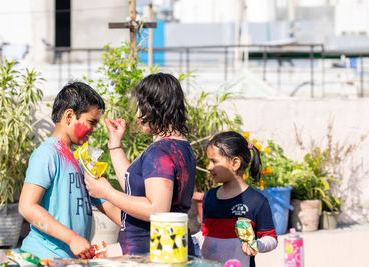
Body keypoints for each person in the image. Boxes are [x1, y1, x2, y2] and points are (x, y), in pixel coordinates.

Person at [85, 73, 196, 255]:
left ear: (156, 106)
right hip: (170, 248)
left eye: (142, 105)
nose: (138, 114)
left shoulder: (160, 151)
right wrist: (115, 146)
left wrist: (108, 193)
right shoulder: (182, 146)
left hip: (151, 253)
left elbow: (156, 208)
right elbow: (134, 187)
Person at [18, 81, 108, 259]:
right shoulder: (47, 154)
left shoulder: (79, 160)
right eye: (91, 122)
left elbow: (107, 202)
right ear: (69, 116)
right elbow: (27, 206)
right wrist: (73, 239)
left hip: (67, 260)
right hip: (42, 258)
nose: (94, 130)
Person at [198, 131, 277, 266]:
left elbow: (271, 238)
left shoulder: (257, 201)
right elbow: (204, 233)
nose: (209, 167)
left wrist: (256, 244)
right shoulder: (208, 197)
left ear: (235, 163)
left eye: (214, 161)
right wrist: (190, 239)